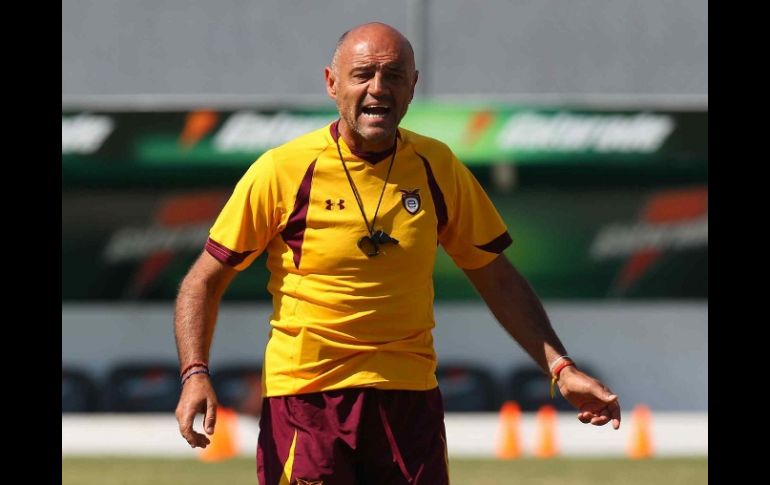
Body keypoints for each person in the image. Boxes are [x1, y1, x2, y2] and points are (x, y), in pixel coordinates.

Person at [175, 22, 621, 485]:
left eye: (393, 76)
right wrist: (194, 374)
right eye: (362, 74)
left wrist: (560, 368)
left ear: (413, 86)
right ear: (331, 83)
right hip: (309, 401)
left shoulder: (438, 166)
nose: (378, 88)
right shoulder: (281, 170)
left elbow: (496, 277)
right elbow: (202, 281)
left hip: (410, 401)